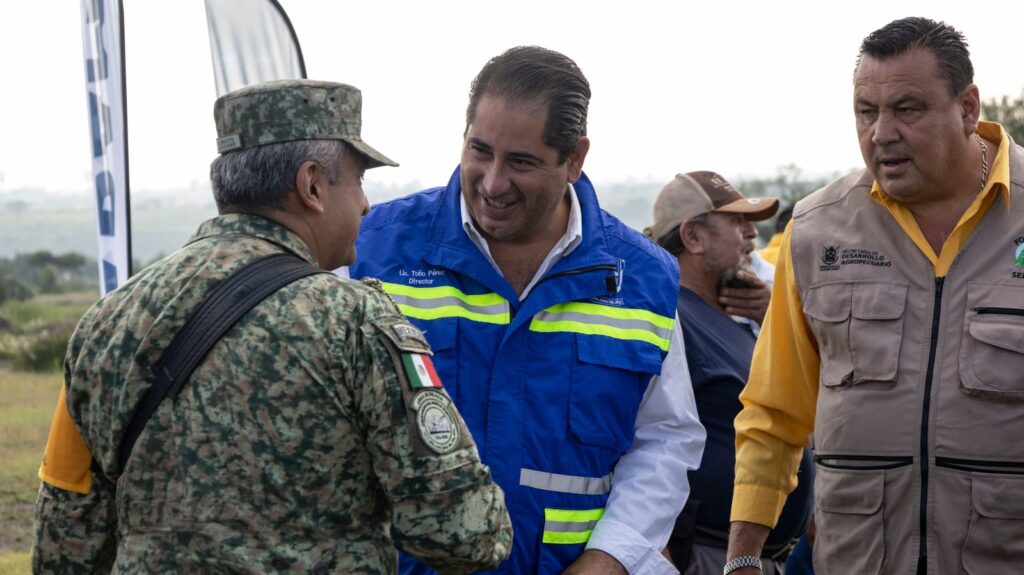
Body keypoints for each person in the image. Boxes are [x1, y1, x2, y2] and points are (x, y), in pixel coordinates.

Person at [32, 79, 512, 574]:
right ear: (312, 186)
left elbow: (63, 540)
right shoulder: (359, 324)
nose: (366, 205)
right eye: (358, 181)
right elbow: (460, 534)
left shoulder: (104, 324)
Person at [348, 46, 706, 575]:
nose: (493, 183)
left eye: (521, 162)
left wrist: (611, 558)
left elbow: (665, 439)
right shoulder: (370, 251)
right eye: (479, 151)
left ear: (575, 158)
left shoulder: (642, 279)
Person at [725, 17, 1024, 575]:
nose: (881, 133)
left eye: (907, 109)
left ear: (967, 108)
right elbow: (774, 412)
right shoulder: (817, 230)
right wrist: (743, 556)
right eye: (866, 111)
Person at [644, 172, 812, 575]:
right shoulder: (671, 320)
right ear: (693, 237)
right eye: (737, 221)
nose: (751, 234)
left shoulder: (734, 317)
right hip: (705, 556)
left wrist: (776, 317)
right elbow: (641, 443)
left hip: (756, 558)